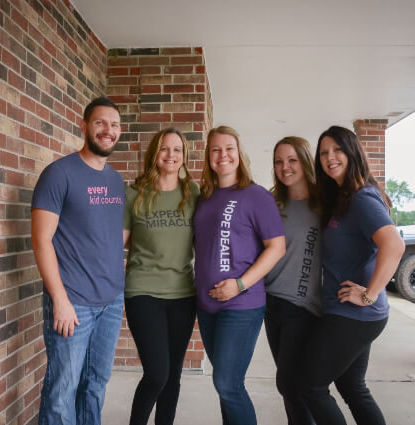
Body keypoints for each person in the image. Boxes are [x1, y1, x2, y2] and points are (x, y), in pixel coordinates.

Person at [301, 126, 405, 425]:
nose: (330, 157)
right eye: (323, 152)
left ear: (353, 152)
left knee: (311, 386)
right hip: (354, 314)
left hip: (354, 316)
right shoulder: (345, 196)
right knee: (352, 387)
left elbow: (394, 245)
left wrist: (369, 293)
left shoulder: (361, 198)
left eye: (337, 150)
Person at [31, 97, 125, 424]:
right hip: (73, 302)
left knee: (95, 385)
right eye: (100, 123)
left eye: (114, 125)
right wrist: (59, 299)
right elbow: (41, 240)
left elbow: (113, 235)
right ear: (84, 126)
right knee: (62, 390)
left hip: (111, 301)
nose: (107, 131)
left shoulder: (116, 180)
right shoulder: (59, 174)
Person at [193, 125, 286, 425]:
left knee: (227, 383)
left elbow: (276, 247)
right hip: (207, 307)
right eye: (216, 150)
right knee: (226, 387)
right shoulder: (204, 197)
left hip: (242, 305)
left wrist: (241, 284)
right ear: (209, 157)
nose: (223, 155)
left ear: (239, 153)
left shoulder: (256, 195)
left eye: (229, 148)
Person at [123, 128, 199, 425]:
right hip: (143, 292)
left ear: (184, 157)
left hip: (183, 293)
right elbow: (121, 241)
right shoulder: (134, 195)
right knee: (157, 373)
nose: (170, 155)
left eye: (177, 149)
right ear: (154, 153)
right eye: (164, 149)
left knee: (174, 375)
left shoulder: (193, 192)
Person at [264, 137, 322, 425]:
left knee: (290, 384)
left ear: (305, 160)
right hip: (270, 303)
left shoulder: (325, 202)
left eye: (292, 160)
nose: (285, 167)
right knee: (290, 388)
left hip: (303, 305)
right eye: (278, 161)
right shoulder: (273, 202)